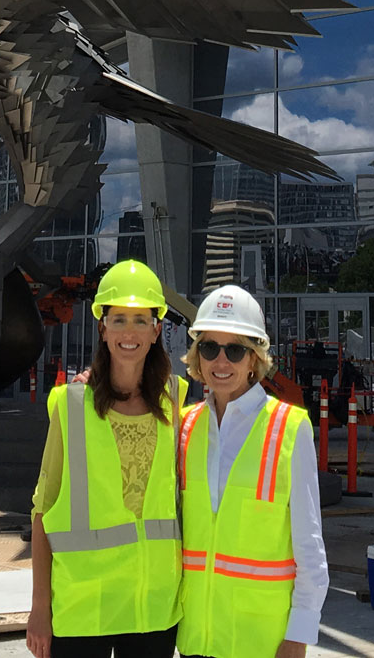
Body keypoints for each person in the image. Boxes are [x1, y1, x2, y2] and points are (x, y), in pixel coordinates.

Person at [27, 259, 184, 658]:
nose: (128, 332)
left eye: (139, 320)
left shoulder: (178, 403)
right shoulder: (72, 406)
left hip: (153, 610)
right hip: (84, 611)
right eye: (118, 320)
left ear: (156, 330)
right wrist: (39, 610)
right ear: (102, 327)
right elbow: (43, 512)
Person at [176, 286, 327, 658]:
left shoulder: (290, 428)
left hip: (263, 643)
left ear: (254, 358)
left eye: (236, 350)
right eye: (210, 348)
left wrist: (299, 635)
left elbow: (309, 545)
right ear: (197, 356)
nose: (221, 361)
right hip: (195, 639)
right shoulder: (183, 426)